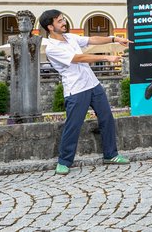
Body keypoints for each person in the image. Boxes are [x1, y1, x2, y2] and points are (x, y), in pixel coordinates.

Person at [39, 9, 133, 175]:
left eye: (63, 19)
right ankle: (64, 161)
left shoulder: (70, 37)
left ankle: (111, 155)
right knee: (73, 125)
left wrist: (114, 38)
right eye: (59, 21)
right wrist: (106, 57)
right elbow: (78, 58)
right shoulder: (51, 48)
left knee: (107, 118)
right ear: (50, 27)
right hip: (76, 89)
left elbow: (92, 39)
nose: (64, 23)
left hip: (92, 84)